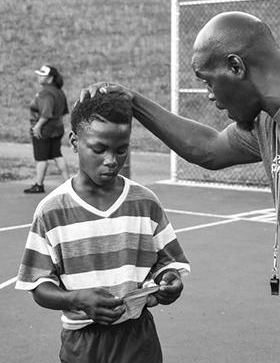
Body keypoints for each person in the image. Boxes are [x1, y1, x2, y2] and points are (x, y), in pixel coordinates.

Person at [81, 11, 280, 363]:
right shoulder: (269, 121)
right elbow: (208, 149)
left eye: (207, 80)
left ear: (235, 66)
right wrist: (133, 101)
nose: (208, 96)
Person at [15, 92, 190, 363]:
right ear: (74, 141)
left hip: (138, 337)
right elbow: (39, 286)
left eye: (121, 150)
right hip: (84, 344)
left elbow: (168, 264)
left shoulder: (145, 202)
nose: (111, 160)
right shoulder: (52, 211)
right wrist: (78, 299)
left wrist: (170, 283)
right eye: (99, 149)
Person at [23, 65, 70, 194]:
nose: (39, 77)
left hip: (44, 129)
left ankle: (39, 184)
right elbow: (64, 111)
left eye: (42, 75)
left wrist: (37, 126)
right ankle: (68, 182)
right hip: (57, 128)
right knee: (57, 154)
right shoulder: (59, 92)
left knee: (41, 158)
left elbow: (46, 113)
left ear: (50, 79)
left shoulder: (45, 93)